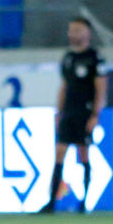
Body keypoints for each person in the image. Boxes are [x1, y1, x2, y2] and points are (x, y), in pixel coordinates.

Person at [40, 16, 107, 213]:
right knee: (60, 152)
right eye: (71, 30)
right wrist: (58, 111)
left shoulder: (95, 57)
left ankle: (85, 203)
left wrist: (95, 114)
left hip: (85, 112)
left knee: (83, 153)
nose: (73, 34)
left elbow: (101, 87)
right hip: (68, 111)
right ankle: (51, 203)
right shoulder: (68, 58)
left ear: (87, 33)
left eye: (77, 30)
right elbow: (64, 86)